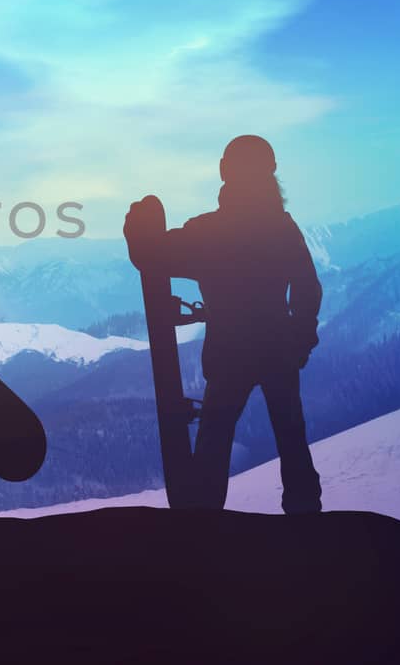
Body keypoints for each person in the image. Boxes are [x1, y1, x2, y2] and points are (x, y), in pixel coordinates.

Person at [124, 135, 323, 514]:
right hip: (278, 347)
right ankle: (306, 519)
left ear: (224, 172)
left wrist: (138, 228)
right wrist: (300, 338)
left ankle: (204, 523)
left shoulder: (211, 231)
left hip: (229, 351)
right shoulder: (281, 227)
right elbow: (307, 287)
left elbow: (154, 259)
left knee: (215, 437)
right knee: (291, 435)